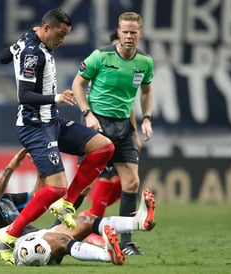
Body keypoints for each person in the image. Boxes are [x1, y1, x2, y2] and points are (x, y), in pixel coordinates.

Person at [0, 8, 115, 264]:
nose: (61, 41)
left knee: (103, 147)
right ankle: (9, 234)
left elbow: (2, 56)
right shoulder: (31, 52)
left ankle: (67, 204)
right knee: (55, 187)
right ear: (46, 28)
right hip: (35, 125)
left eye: (65, 36)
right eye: (60, 35)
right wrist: (57, 97)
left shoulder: (31, 39)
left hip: (52, 120)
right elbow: (24, 95)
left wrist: (14, 50)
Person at [0, 148, 156, 266]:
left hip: (37, 235)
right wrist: (11, 167)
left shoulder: (7, 198)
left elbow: (37, 197)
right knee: (61, 240)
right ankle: (107, 256)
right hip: (18, 250)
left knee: (85, 220)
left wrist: (41, 169)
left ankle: (138, 222)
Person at [72, 12, 154, 255]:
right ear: (118, 33)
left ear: (140, 34)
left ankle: (126, 242)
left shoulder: (145, 62)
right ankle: (59, 224)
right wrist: (87, 113)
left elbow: (146, 92)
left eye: (133, 32)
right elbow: (77, 84)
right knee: (85, 184)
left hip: (123, 126)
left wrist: (146, 119)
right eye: (124, 32)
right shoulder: (101, 56)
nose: (128, 36)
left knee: (132, 182)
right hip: (98, 124)